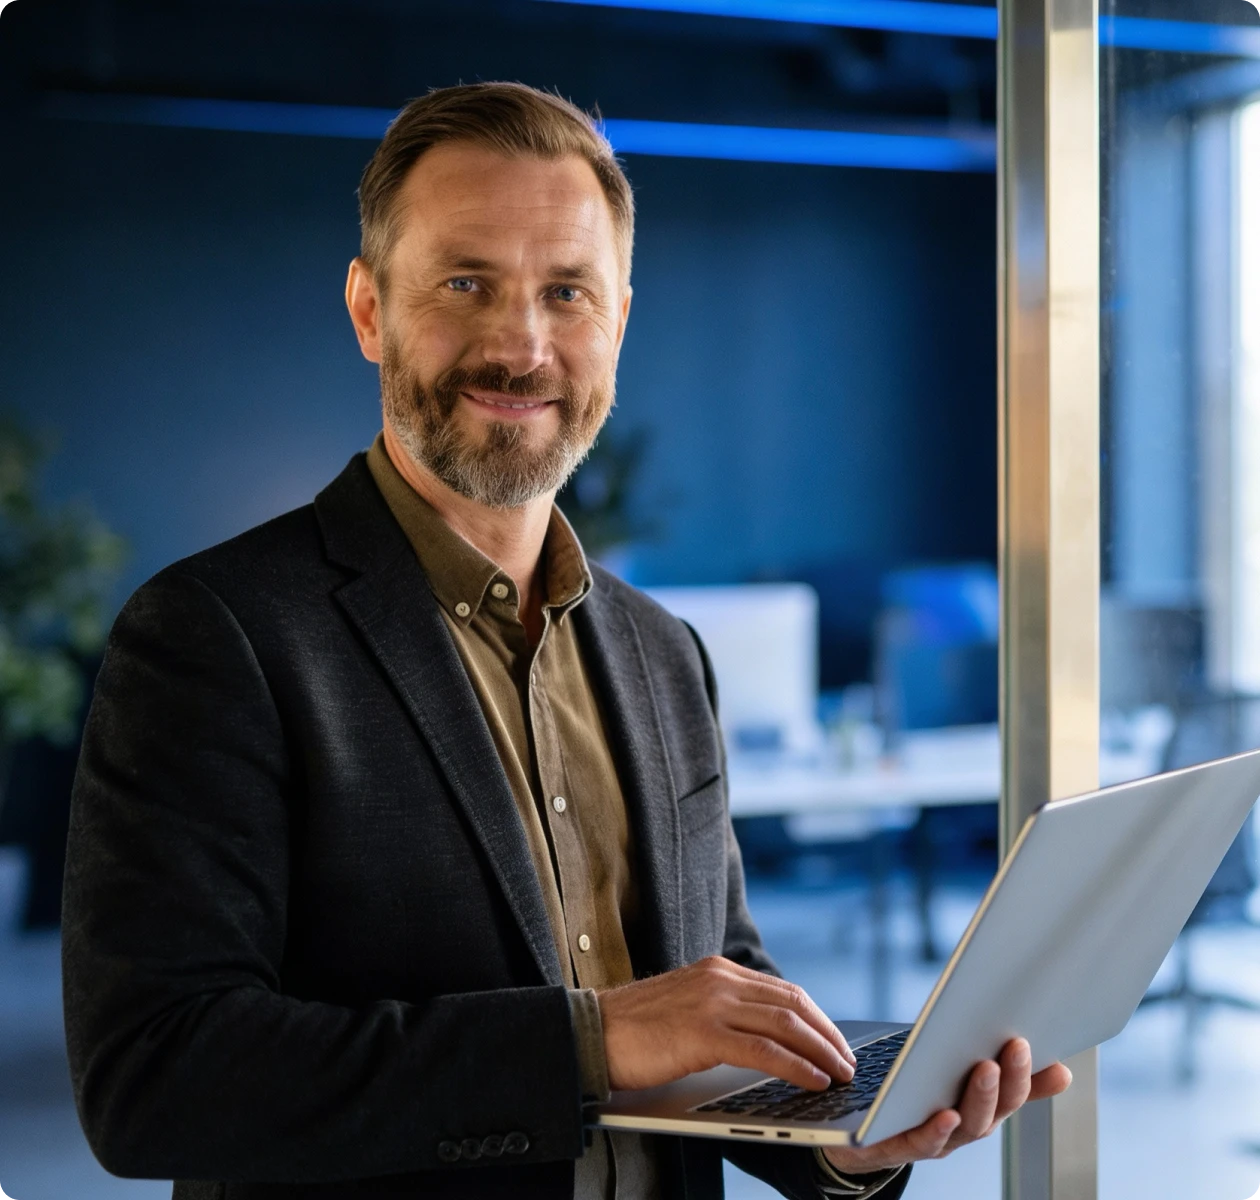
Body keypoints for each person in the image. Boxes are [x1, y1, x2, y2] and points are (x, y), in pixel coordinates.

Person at [61, 82, 1070, 1200]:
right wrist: (588, 1043)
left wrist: (841, 1140)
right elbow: (153, 1080)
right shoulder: (216, 635)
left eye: (567, 291)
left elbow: (710, 1000)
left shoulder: (661, 651)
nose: (521, 344)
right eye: (464, 282)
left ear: (620, 319)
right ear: (367, 310)